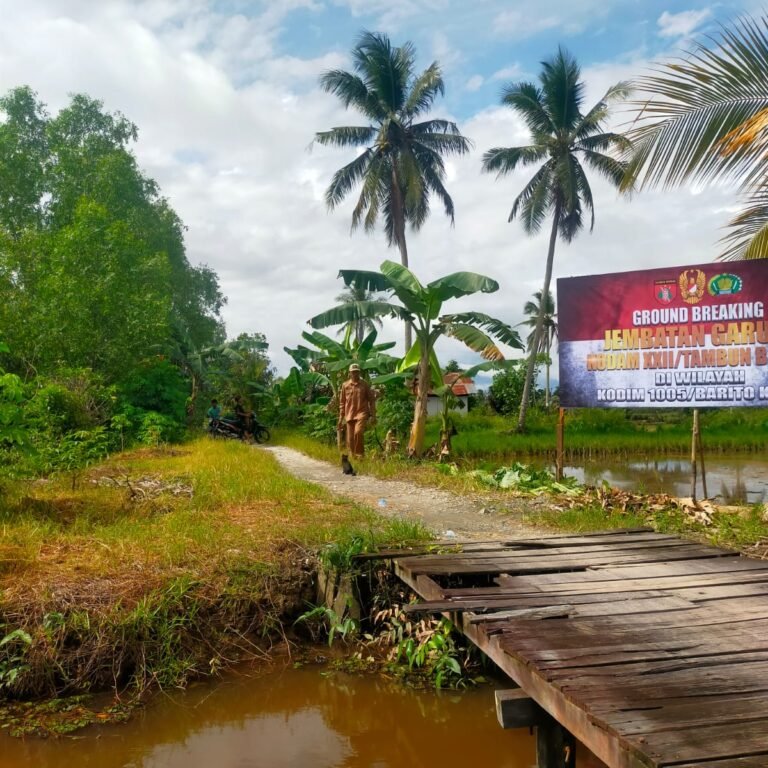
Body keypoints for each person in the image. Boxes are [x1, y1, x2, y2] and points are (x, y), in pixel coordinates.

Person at [338, 363, 376, 458]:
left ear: (359, 372)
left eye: (357, 372)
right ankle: (353, 456)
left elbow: (371, 400)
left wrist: (373, 415)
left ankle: (360, 455)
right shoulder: (345, 385)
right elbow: (342, 402)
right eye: (353, 372)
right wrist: (340, 418)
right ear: (350, 373)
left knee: (358, 432)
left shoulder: (364, 384)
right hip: (349, 414)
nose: (355, 374)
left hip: (361, 412)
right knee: (350, 439)